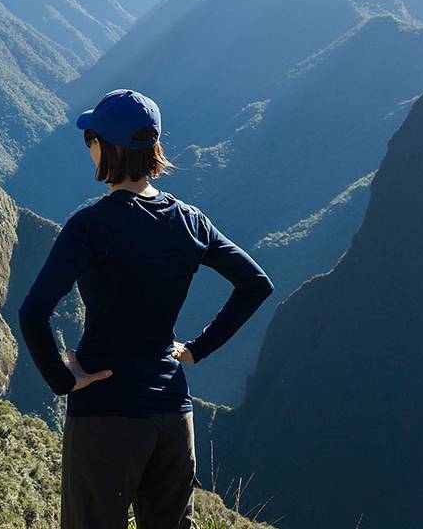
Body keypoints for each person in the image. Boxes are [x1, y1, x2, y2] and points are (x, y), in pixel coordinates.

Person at [18, 89, 274, 528]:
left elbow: (33, 312)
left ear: (107, 147)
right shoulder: (190, 221)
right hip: (173, 415)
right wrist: (196, 350)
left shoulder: (90, 226)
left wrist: (64, 380)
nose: (89, 148)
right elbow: (255, 284)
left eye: (90, 139)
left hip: (105, 412)